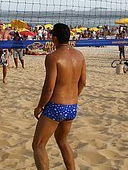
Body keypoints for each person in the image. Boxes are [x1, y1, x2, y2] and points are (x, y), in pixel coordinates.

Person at [32, 23, 86, 170]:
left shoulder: (53, 57)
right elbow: (83, 82)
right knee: (63, 142)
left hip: (56, 106)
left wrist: (40, 106)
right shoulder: (79, 56)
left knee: (38, 145)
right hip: (72, 107)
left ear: (54, 38)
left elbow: (49, 88)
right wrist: (72, 97)